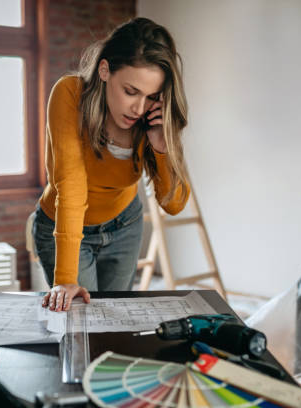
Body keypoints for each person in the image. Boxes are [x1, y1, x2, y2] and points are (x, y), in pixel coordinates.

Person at [33, 17, 190, 312]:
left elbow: (174, 204)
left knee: (113, 319)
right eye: (130, 92)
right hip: (64, 226)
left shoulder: (150, 120)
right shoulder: (69, 93)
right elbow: (71, 183)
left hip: (124, 227)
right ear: (104, 70)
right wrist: (65, 279)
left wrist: (162, 148)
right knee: (81, 321)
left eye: (151, 97)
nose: (139, 108)